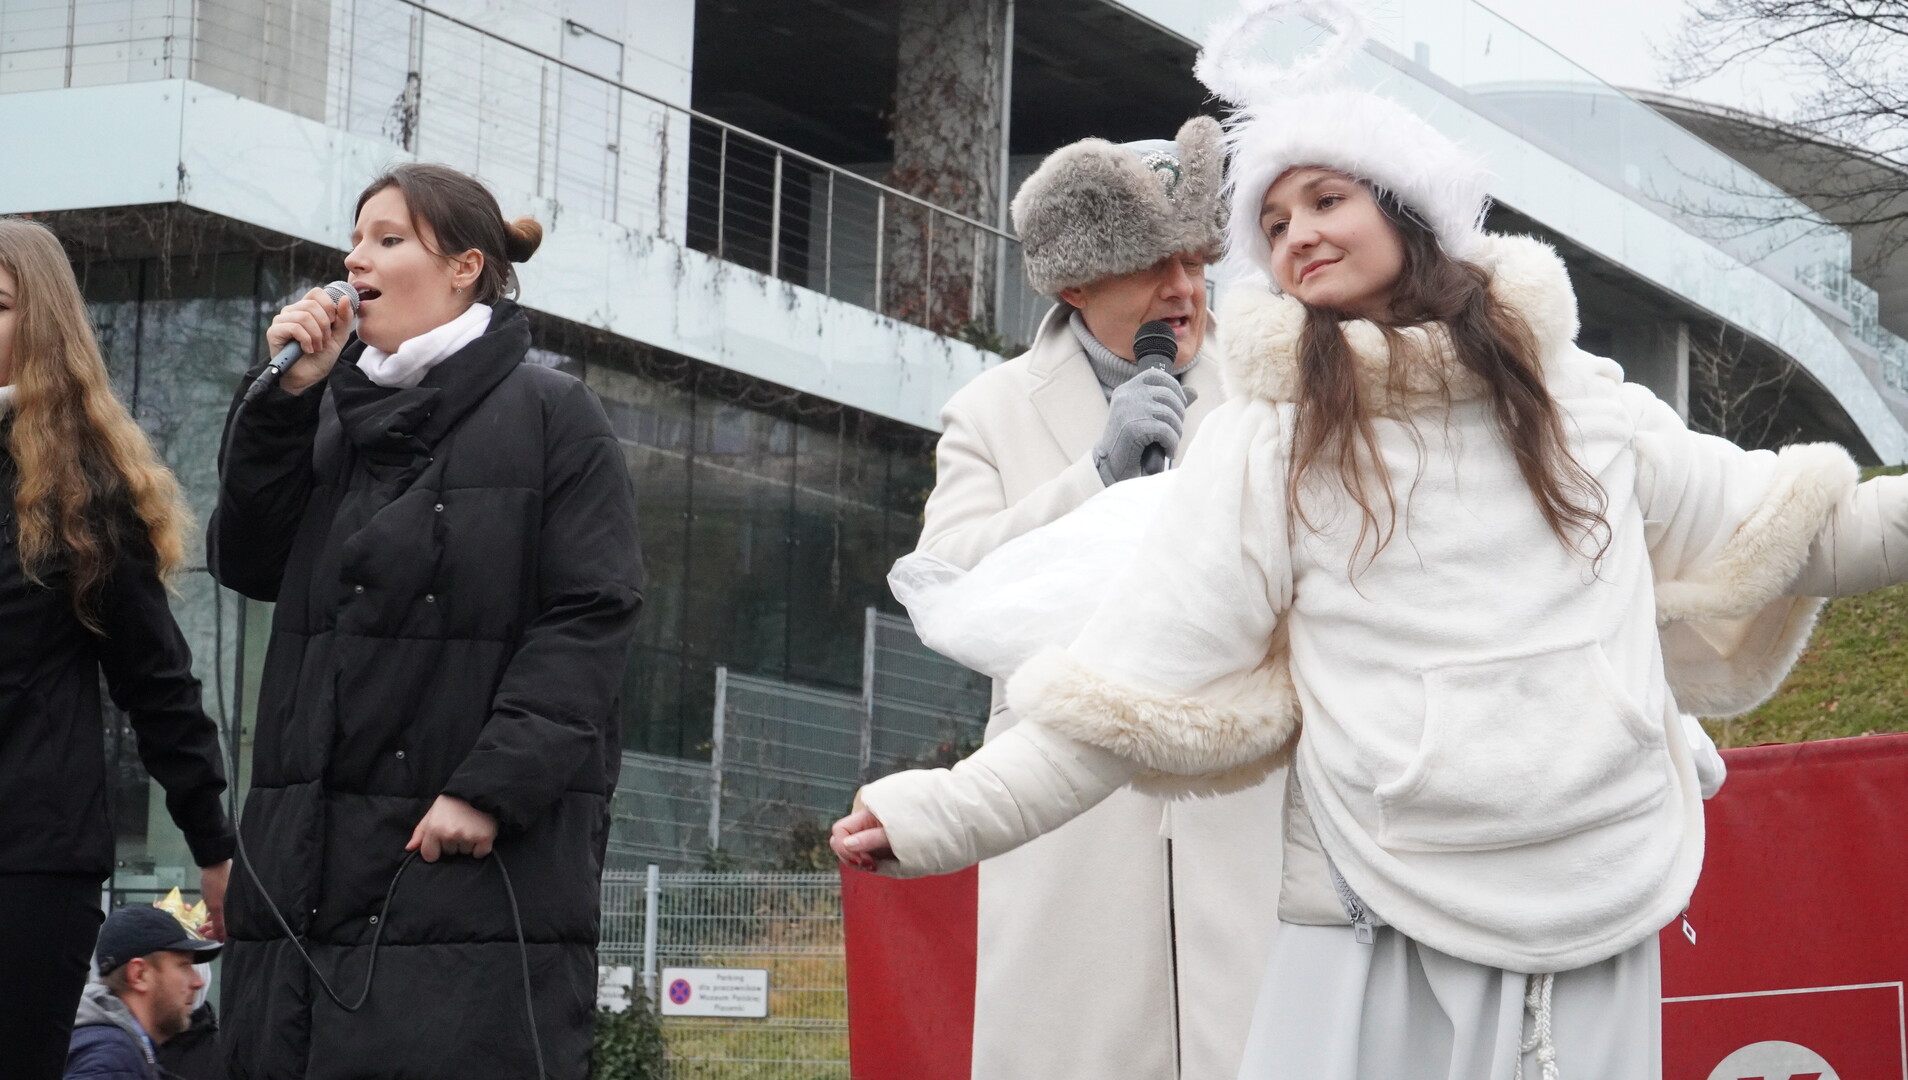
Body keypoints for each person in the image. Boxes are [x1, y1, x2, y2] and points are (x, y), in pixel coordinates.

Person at [832, 6, 1908, 1077]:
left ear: (1406, 207)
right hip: (1366, 904)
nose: (1295, 235)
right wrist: (944, 813)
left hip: (1593, 883)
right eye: (1274, 223)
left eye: (1325, 200)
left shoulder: (1581, 402)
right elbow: (1131, 680)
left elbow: (1806, 529)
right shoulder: (1267, 440)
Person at [210, 163, 644, 1079]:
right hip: (305, 857)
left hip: (464, 858)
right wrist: (282, 407)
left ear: (464, 268)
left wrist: (490, 788)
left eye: (387, 238)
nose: (353, 260)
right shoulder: (323, 411)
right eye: (353, 239)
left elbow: (590, 616)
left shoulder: (552, 414)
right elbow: (247, 562)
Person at [893, 116, 1286, 1080]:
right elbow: (946, 585)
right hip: (1065, 819)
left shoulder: (1276, 385)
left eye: (1195, 261)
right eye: (1154, 265)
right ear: (1075, 283)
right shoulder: (989, 411)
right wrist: (1095, 476)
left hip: (1245, 801)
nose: (1184, 289)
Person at [0, 218, 234, 1080]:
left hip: (27, 863)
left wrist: (213, 845)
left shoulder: (84, 493)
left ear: (42, 326)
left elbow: (157, 684)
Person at [64, 905, 223, 1080]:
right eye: (183, 966)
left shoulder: (115, 1052)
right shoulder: (112, 1061)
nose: (198, 982)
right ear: (139, 974)